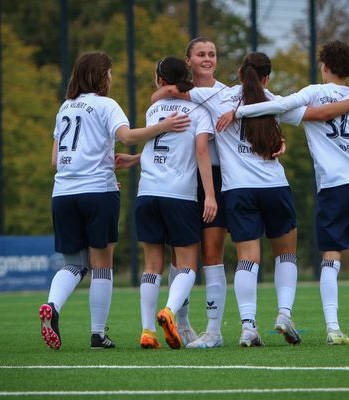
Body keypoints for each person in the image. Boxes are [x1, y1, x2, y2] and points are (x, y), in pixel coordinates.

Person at [151, 51, 349, 347]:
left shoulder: (218, 98)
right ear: (266, 77)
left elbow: (167, 92)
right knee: (286, 255)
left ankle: (248, 327)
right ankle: (283, 314)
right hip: (274, 187)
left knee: (247, 259)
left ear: (240, 72)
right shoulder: (273, 99)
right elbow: (320, 115)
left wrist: (162, 93)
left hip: (238, 190)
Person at [225, 40, 349, 344]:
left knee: (331, 256)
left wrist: (239, 113)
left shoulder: (313, 92)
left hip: (333, 186)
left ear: (325, 66)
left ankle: (332, 328)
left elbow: (279, 106)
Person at [39, 51, 190, 351]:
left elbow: (56, 160)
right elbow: (128, 136)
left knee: (72, 264)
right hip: (98, 191)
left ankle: (52, 306)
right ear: (99, 76)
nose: (111, 77)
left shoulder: (65, 107)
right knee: (101, 266)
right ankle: (98, 334)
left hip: (63, 194)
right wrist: (163, 126)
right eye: (108, 72)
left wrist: (96, 162)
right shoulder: (106, 105)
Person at [116, 37, 230, 349]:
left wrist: (137, 158)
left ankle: (147, 330)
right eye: (201, 54)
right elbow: (201, 152)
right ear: (188, 68)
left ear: (161, 79)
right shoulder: (197, 109)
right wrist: (209, 195)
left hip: (147, 192)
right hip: (180, 194)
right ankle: (170, 310)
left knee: (152, 264)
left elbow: (160, 143)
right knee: (189, 264)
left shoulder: (154, 109)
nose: (207, 58)